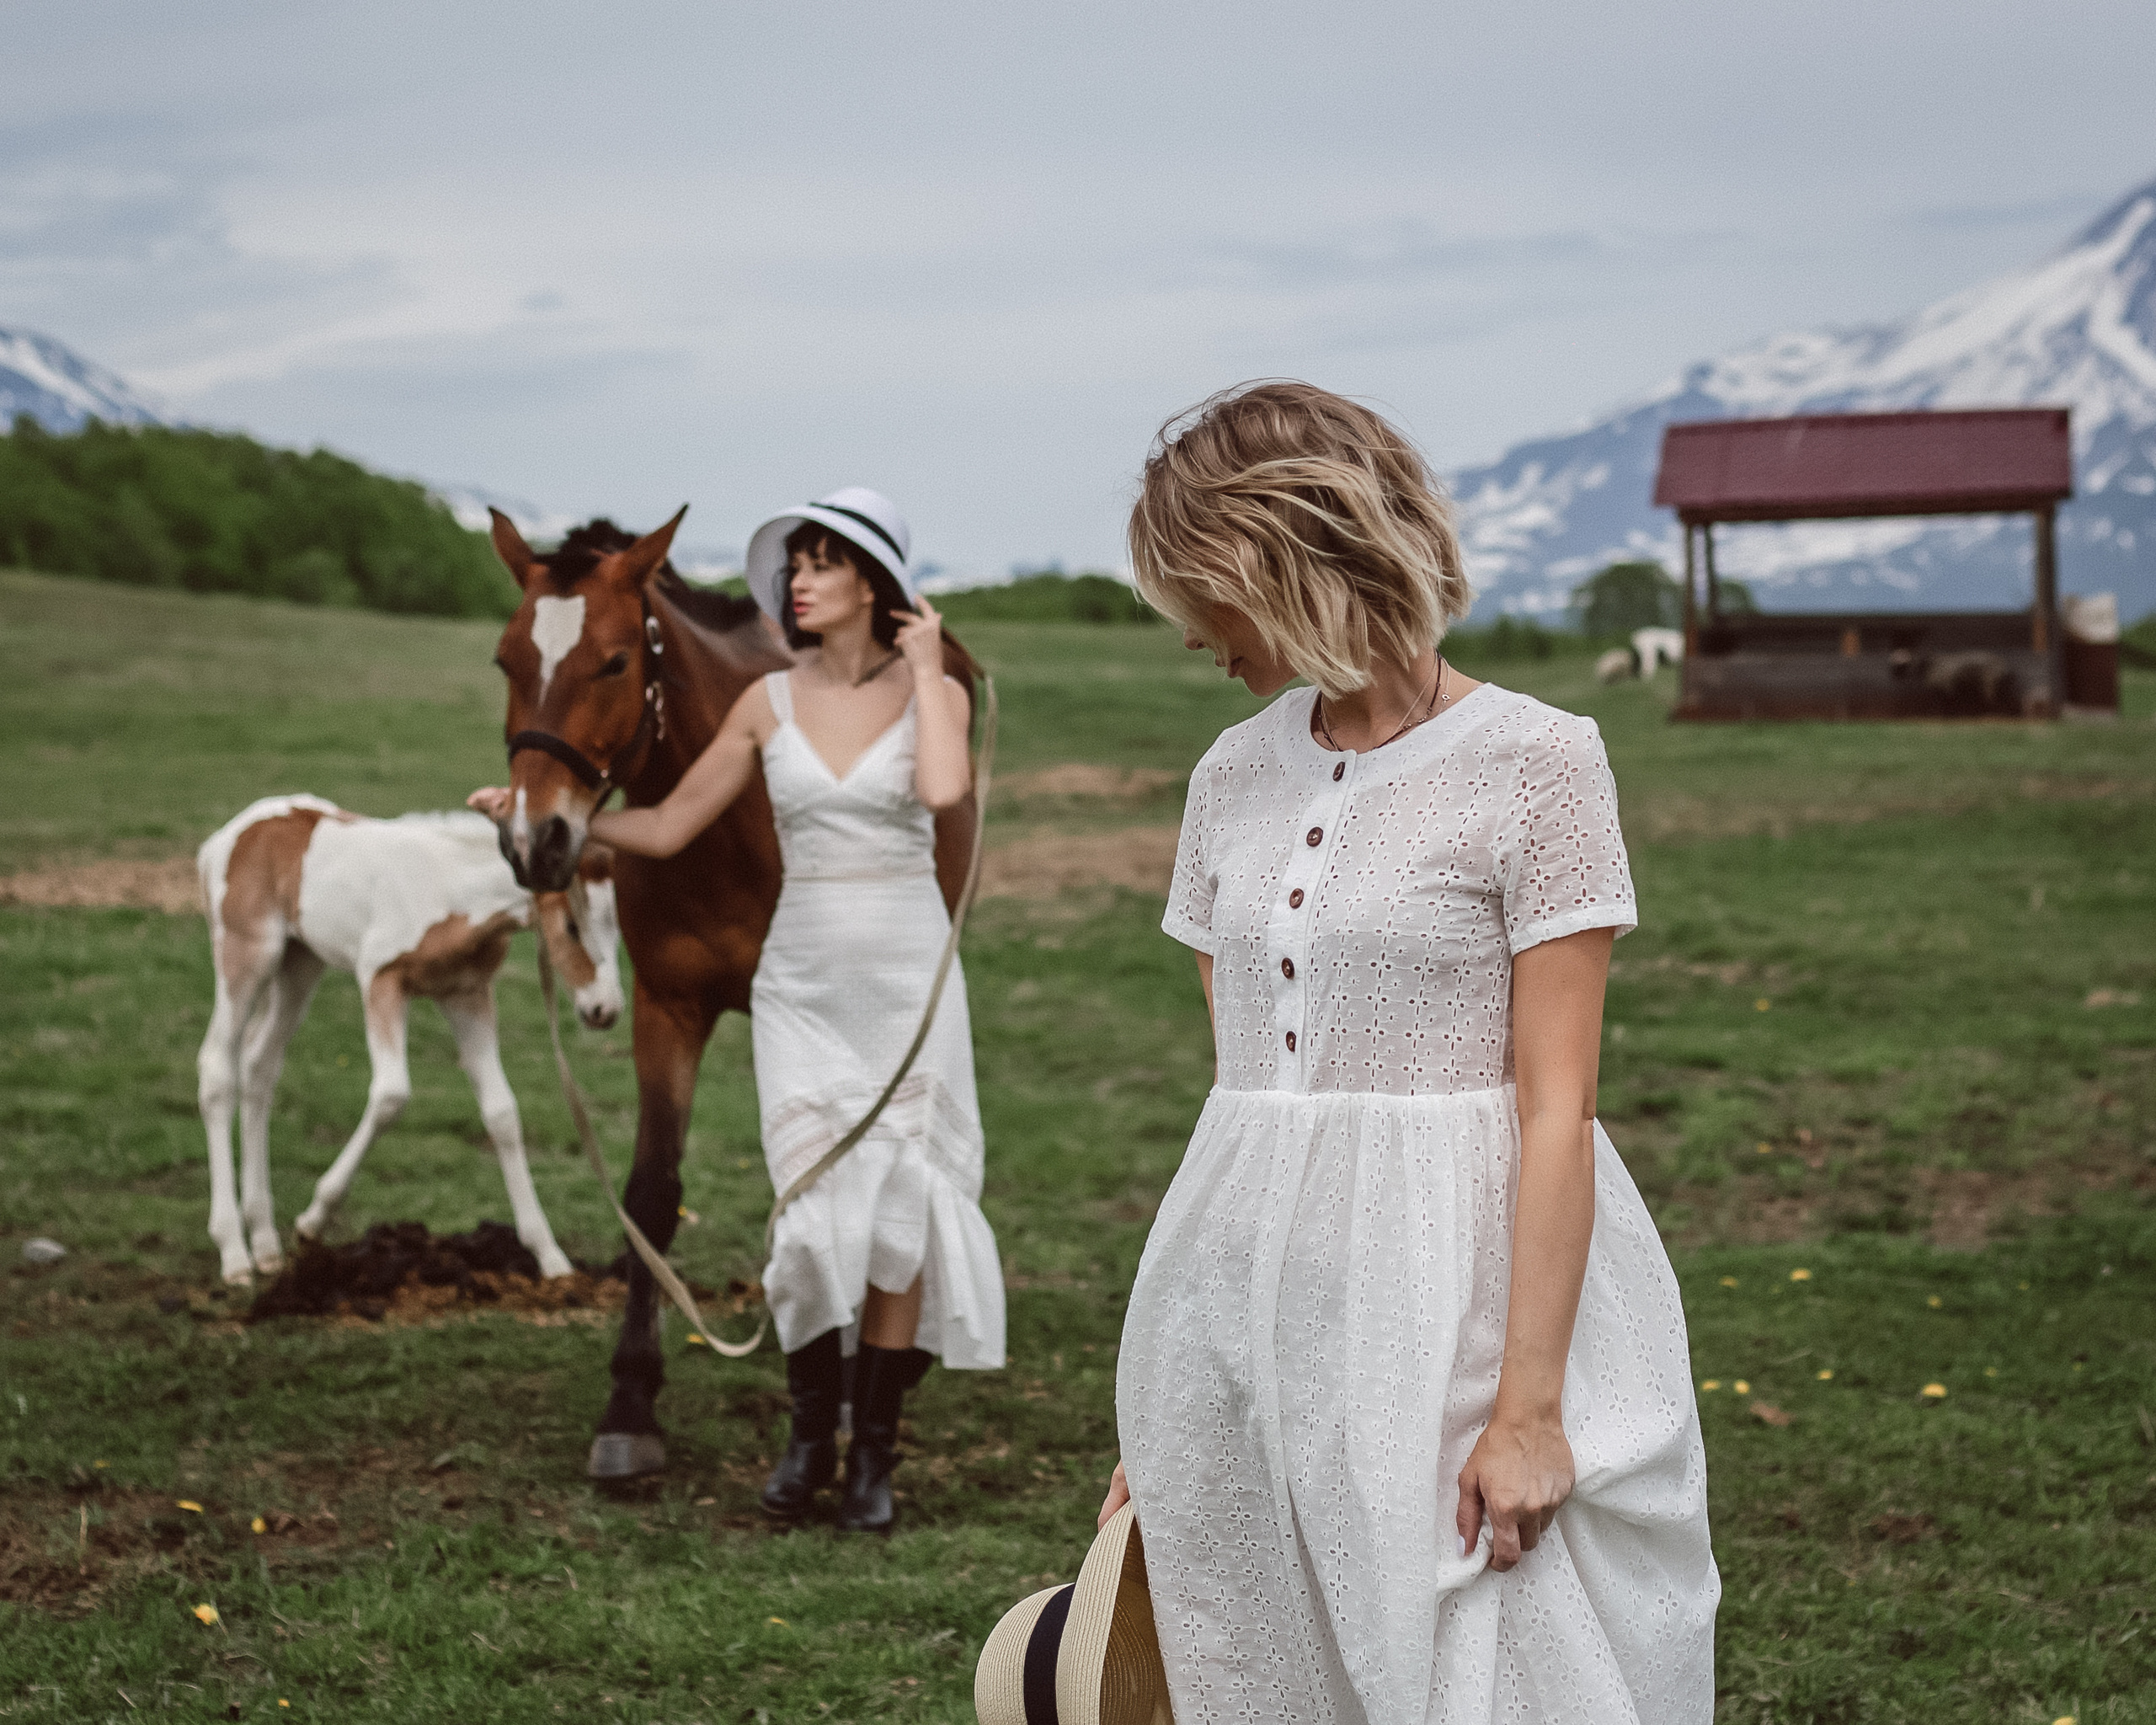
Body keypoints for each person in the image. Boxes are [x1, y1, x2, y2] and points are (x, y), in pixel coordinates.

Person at [1096, 385, 1718, 1721]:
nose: (1194, 638)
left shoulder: (1539, 764)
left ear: (1288, 558)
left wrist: (1530, 1411)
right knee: (1269, 1658)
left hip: (1472, 1296)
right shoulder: (1228, 777)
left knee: (1496, 1663)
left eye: (1205, 595)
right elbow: (1244, 1101)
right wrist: (1183, 1399)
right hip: (1260, 1305)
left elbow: (1560, 1111)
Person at [473, 488, 1006, 1533]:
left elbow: (944, 790)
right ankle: (810, 1439)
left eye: (821, 565)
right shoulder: (765, 700)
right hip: (801, 973)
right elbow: (669, 824)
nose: (796, 582)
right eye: (793, 565)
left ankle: (872, 1454)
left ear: (873, 585)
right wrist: (559, 824)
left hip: (904, 973)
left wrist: (934, 665)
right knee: (805, 1217)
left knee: (903, 1206)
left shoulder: (927, 693)